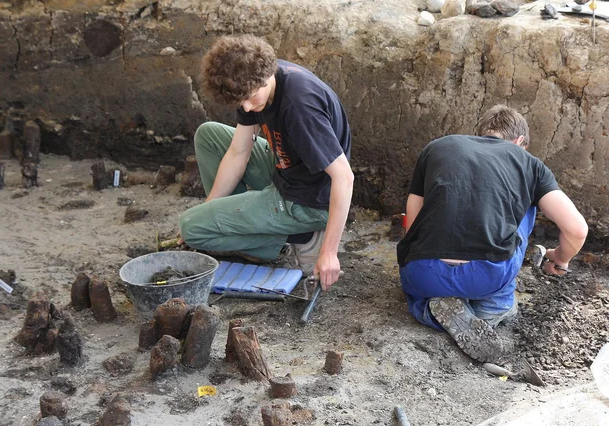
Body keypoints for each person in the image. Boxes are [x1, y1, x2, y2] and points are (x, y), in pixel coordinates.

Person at [397, 105, 588, 362]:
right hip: (486, 276)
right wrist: (560, 259)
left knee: (421, 283)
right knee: (525, 204)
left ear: (481, 134)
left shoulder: (437, 147)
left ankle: (432, 309)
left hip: (423, 272)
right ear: (519, 141)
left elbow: (412, 224)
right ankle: (490, 310)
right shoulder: (529, 164)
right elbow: (577, 229)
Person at [177, 35, 354, 291]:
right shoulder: (254, 79)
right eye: (241, 102)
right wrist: (211, 210)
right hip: (286, 170)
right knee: (208, 135)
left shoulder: (300, 107)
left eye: (250, 98)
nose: (247, 108)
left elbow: (344, 177)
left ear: (265, 76)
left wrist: (330, 252)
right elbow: (239, 152)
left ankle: (301, 240)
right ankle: (237, 227)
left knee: (191, 228)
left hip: (310, 201)